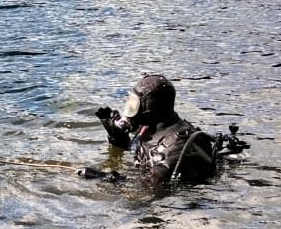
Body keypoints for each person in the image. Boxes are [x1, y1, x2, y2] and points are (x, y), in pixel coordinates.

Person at [89, 73, 244, 185]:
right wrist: (117, 137)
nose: (130, 111)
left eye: (135, 105)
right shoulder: (150, 128)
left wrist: (105, 178)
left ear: (150, 109)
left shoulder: (175, 150)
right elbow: (136, 154)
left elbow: (143, 192)